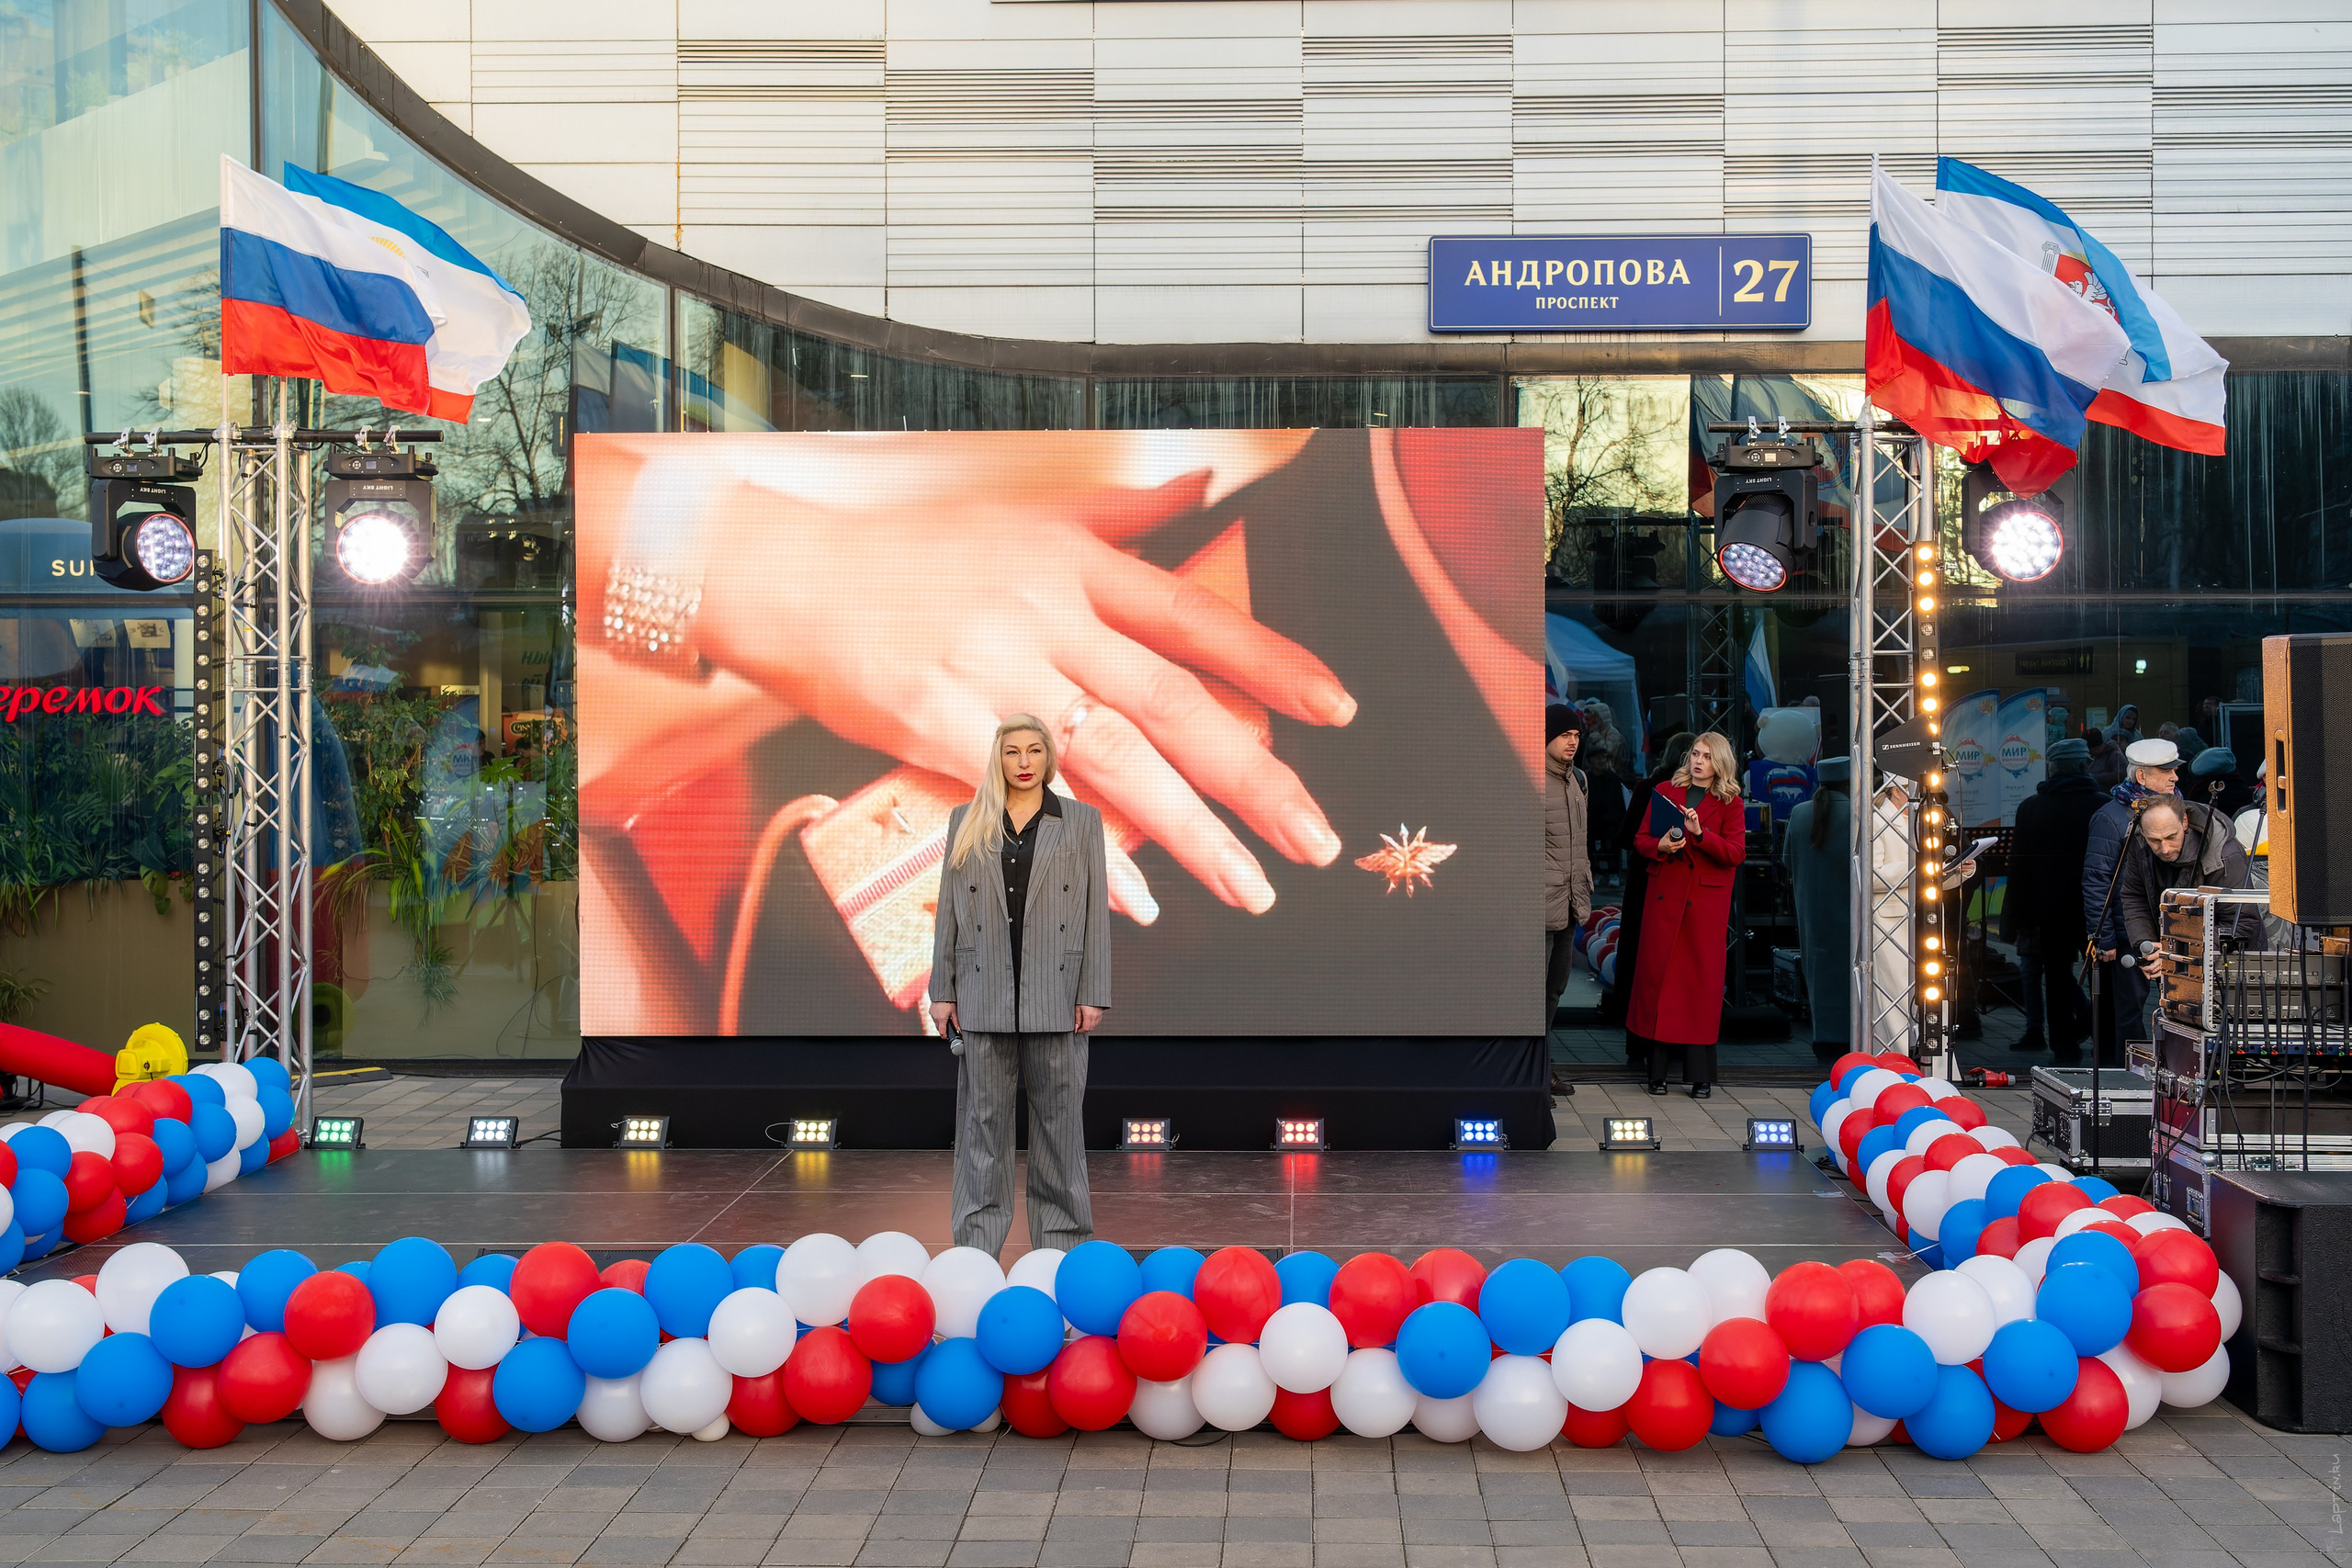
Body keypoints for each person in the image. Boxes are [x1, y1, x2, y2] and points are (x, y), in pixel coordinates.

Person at [929, 714, 1111, 1258]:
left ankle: (1063, 1252)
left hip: (1056, 998)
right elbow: (949, 915)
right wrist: (943, 990)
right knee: (982, 1134)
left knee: (1059, 1132)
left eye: (1034, 751)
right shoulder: (967, 820)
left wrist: (1092, 990)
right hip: (983, 997)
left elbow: (1094, 913)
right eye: (1014, 753)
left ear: (1048, 757)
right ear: (999, 759)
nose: (1025, 763)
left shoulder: (1081, 821)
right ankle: (974, 1255)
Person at [1630, 731, 1747, 1097]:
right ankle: (1657, 1074)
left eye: (1707, 756)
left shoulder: (1730, 801)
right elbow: (1641, 839)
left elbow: (1736, 853)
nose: (1698, 761)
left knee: (1699, 988)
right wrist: (1660, 845)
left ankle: (1699, 1077)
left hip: (1703, 908)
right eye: (1695, 753)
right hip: (1664, 901)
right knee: (1659, 983)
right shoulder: (1665, 789)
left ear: (1720, 762)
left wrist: (1700, 833)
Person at [2083, 737, 2183, 1063]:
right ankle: (2125, 1078)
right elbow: (2098, 879)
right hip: (2128, 932)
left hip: (2174, 930)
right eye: (2166, 770)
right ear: (2142, 777)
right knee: (2128, 1014)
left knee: (2183, 1009)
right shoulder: (2111, 817)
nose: (2175, 777)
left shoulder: (2181, 812)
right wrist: (2105, 938)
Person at [2002, 737, 2102, 1059]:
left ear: (2052, 768)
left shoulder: (2032, 807)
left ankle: (2063, 1044)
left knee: (2057, 979)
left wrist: (2016, 915)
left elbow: (2019, 866)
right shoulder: (2102, 805)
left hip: (2049, 911)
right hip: (2094, 907)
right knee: (2108, 978)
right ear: (2085, 766)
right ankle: (2101, 1035)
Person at [2120, 798, 2263, 1020]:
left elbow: (2243, 926)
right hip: (2175, 963)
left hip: (2226, 971)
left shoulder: (2224, 854)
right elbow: (2134, 895)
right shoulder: (2139, 842)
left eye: (2171, 837)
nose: (2164, 848)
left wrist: (2175, 950)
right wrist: (2146, 947)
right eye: (2154, 840)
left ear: (2185, 821)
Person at [1609, 731, 1697, 1053]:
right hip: (1663, 879)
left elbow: (1625, 834)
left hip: (1647, 879)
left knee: (1641, 953)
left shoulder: (1649, 787)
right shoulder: (1675, 791)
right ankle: (1666, 1038)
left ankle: (1640, 1036)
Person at [1781, 755, 1850, 1061]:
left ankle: (1824, 1037)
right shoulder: (1862, 814)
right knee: (1853, 975)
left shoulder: (1798, 814)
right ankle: (1851, 1037)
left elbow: (1786, 862)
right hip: (1851, 910)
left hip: (1810, 910)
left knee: (1818, 974)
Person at [1543, 705, 1591, 1071]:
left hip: (1571, 901)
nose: (1572, 742)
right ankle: (1532, 1072)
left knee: (1555, 990)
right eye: (1564, 735)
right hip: (1541, 905)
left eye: (1576, 735)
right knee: (1532, 995)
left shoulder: (1579, 780)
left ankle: (1542, 1067)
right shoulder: (1530, 780)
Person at [2085, 727, 2127, 791]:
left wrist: (2094, 777)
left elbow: (2120, 775)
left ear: (2095, 747)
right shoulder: (2093, 756)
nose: (2089, 752)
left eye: (2090, 750)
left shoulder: (2115, 755)